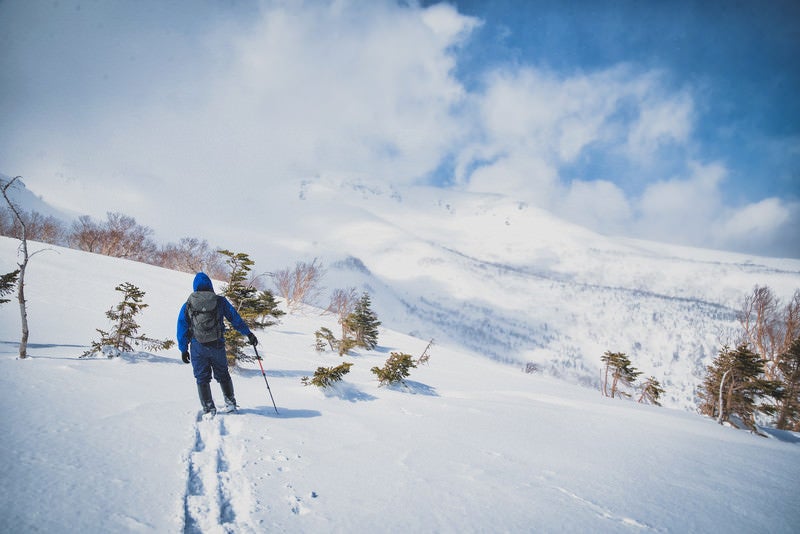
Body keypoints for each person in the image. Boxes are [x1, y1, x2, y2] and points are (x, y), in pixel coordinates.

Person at [177, 272, 258, 416]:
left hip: (198, 346)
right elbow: (234, 318)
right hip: (217, 345)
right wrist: (248, 333)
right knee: (223, 375)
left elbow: (182, 326)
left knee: (202, 377)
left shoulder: (188, 303)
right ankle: (230, 403)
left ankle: (209, 408)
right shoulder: (220, 301)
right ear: (210, 284)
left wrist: (183, 349)